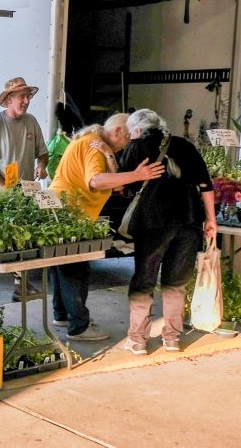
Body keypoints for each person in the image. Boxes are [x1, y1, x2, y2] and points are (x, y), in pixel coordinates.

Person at [49, 113, 165, 341]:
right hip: (72, 212)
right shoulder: (93, 146)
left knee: (61, 266)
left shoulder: (95, 142)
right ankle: (79, 327)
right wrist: (137, 175)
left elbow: (111, 180)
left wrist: (113, 158)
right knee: (76, 269)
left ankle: (63, 315)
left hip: (63, 210)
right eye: (129, 135)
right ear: (118, 132)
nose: (130, 141)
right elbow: (96, 180)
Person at [117, 109, 217, 355]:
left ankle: (138, 339)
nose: (131, 136)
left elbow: (121, 184)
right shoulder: (184, 146)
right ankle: (172, 338)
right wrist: (211, 220)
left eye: (131, 132)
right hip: (189, 222)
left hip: (153, 224)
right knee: (176, 282)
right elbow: (206, 185)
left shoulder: (137, 147)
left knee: (144, 279)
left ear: (138, 130)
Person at [0, 77, 49, 302]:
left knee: (23, 237)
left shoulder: (31, 122)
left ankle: (21, 284)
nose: (27, 100)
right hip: (2, 192)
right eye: (22, 96)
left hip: (26, 191)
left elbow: (43, 152)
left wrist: (41, 166)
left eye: (28, 96)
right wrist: (2, 186)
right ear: (10, 99)